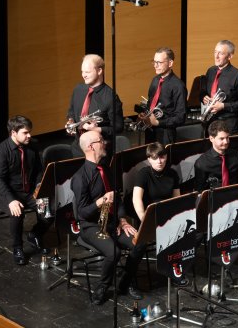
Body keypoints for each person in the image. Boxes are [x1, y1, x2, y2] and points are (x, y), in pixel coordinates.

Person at [71, 130, 144, 305]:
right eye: (100, 140)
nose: (105, 143)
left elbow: (117, 199)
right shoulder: (80, 178)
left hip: (112, 222)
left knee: (139, 243)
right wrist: (99, 202)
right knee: (114, 252)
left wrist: (122, 220)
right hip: (91, 226)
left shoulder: (106, 169)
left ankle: (126, 282)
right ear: (91, 147)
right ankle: (103, 287)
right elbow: (81, 213)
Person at [0, 116, 52, 265]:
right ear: (13, 133)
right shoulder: (0, 152)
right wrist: (11, 200)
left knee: (49, 209)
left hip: (28, 191)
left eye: (30, 132)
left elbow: (38, 170)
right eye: (25, 133)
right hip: (7, 193)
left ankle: (35, 234)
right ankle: (18, 248)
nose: (29, 135)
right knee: (17, 213)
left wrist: (39, 186)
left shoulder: (32, 146)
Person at [131, 142, 188, 285]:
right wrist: (144, 219)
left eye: (162, 157)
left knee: (183, 233)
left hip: (167, 215)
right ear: (149, 159)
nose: (159, 161)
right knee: (140, 245)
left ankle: (175, 270)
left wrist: (177, 219)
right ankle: (129, 278)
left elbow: (176, 199)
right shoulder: (143, 174)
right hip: (148, 216)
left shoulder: (172, 174)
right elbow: (136, 199)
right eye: (155, 158)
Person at [66, 54, 124, 158]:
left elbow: (119, 127)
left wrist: (97, 129)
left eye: (87, 72)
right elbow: (71, 111)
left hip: (99, 151)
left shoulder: (111, 97)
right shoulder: (78, 89)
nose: (83, 75)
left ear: (99, 71)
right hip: (78, 149)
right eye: (82, 71)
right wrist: (70, 121)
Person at [200, 40, 238, 135]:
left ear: (230, 56)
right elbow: (203, 92)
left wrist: (223, 106)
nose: (216, 56)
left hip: (228, 124)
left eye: (221, 53)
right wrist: (203, 97)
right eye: (215, 52)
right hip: (209, 122)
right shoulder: (210, 71)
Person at [140, 47, 187, 144]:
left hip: (165, 133)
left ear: (170, 63)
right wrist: (145, 114)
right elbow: (150, 104)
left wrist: (158, 122)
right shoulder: (155, 80)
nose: (155, 65)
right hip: (150, 130)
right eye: (154, 62)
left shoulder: (178, 86)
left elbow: (180, 118)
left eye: (159, 62)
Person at [193, 120, 238, 192]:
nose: (226, 142)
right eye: (222, 139)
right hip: (214, 197)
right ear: (211, 139)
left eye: (227, 137)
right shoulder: (201, 163)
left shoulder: (235, 155)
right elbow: (200, 191)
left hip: (236, 194)